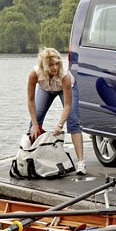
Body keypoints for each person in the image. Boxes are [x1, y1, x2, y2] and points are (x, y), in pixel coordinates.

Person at [27, 47, 86, 175]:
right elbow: (31, 100)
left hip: (66, 88)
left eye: (56, 63)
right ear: (44, 65)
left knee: (73, 121)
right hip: (45, 89)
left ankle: (81, 163)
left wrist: (60, 124)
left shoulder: (64, 75)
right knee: (34, 123)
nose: (54, 67)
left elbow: (68, 105)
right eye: (51, 65)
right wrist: (35, 124)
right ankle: (28, 159)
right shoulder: (34, 74)